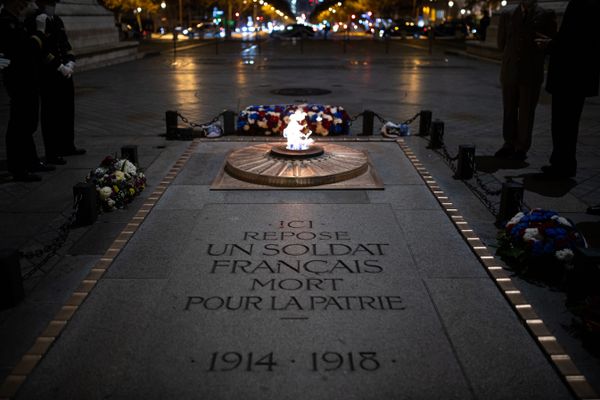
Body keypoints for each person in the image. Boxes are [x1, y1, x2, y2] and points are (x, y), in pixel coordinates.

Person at [536, 0, 600, 178]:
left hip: (570, 77)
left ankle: (562, 166)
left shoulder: (583, 5)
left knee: (563, 124)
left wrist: (549, 45)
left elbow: (574, 42)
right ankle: (562, 163)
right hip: (576, 78)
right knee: (567, 125)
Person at [1, 0, 58, 181]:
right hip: (19, 80)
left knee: (28, 122)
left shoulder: (15, 22)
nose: (26, 5)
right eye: (23, 2)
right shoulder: (6, 22)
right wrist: (39, 33)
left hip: (28, 79)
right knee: (20, 124)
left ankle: (31, 161)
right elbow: (27, 50)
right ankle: (18, 168)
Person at [495, 0, 556, 161]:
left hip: (531, 72)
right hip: (510, 70)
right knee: (509, 109)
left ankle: (521, 147)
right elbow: (501, 44)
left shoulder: (545, 15)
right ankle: (508, 143)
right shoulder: (508, 15)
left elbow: (551, 43)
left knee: (526, 112)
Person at [30, 0, 85, 165]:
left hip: (65, 73)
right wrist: (58, 66)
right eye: (49, 2)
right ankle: (52, 152)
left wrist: (70, 61)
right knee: (51, 115)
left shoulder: (57, 20)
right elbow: (41, 50)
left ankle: (67, 145)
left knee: (67, 110)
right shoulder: (37, 20)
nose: (52, 5)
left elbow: (66, 45)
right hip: (49, 75)